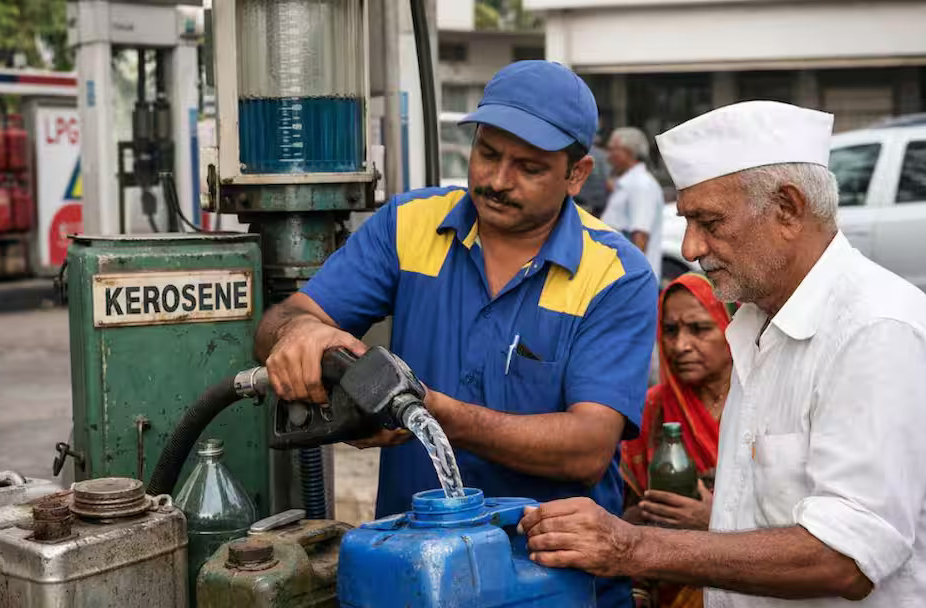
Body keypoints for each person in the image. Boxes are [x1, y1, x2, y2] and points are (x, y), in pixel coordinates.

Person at [255, 60, 658, 608]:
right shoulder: (410, 225)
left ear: (577, 174)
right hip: (412, 579)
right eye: (487, 153)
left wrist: (429, 411)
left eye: (529, 167)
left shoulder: (614, 274)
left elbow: (586, 448)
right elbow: (285, 320)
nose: (497, 180)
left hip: (553, 583)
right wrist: (301, 335)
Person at [518, 100, 926, 607]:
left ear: (788, 209)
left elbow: (845, 557)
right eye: (688, 222)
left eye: (709, 222)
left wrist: (633, 547)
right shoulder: (758, 320)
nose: (690, 248)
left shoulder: (876, 330)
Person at [620, 273, 734, 608]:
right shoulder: (652, 409)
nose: (680, 345)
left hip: (753, 582)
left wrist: (714, 521)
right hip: (668, 585)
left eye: (699, 329)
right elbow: (627, 512)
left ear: (730, 326)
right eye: (670, 330)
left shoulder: (760, 404)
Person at [601, 127, 664, 278]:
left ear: (628, 152)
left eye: (613, 150)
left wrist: (633, 279)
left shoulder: (641, 184)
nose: (608, 156)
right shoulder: (629, 183)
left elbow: (640, 236)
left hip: (629, 279)